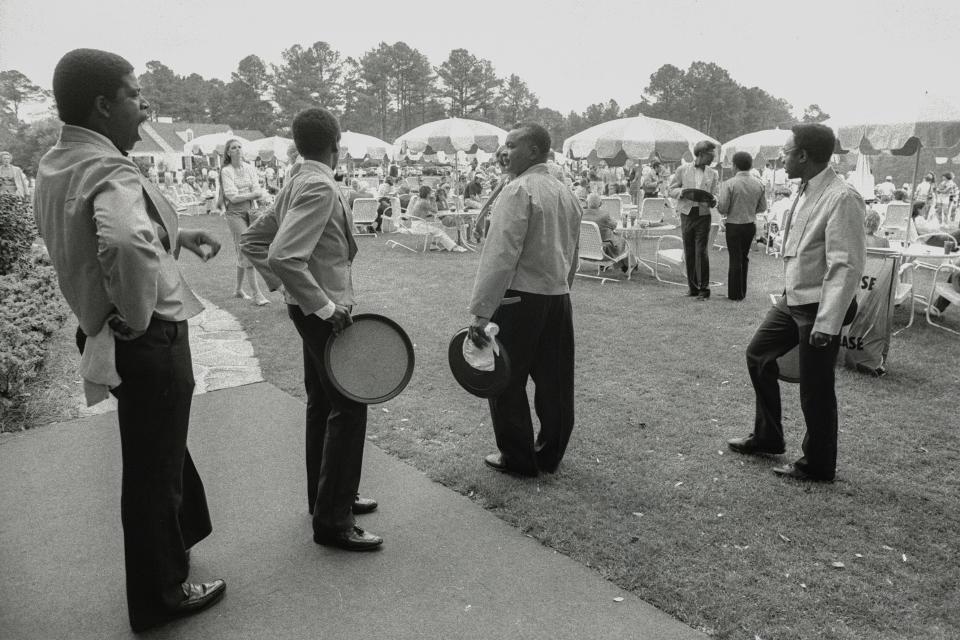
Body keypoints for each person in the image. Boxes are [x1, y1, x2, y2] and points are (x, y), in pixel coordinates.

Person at [34, 48, 225, 632]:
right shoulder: (110, 168)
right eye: (136, 94)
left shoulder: (58, 162)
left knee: (157, 452)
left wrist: (177, 233)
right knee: (152, 469)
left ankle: (178, 540)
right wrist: (138, 315)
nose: (145, 106)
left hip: (100, 331)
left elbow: (108, 236)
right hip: (146, 339)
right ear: (103, 103)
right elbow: (121, 244)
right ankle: (161, 594)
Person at [240, 107, 383, 551]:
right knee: (349, 406)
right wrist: (320, 305)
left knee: (323, 404)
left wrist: (293, 293)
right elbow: (281, 254)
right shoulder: (318, 184)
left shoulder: (298, 180)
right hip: (324, 314)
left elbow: (253, 241)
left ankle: (326, 500)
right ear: (336, 144)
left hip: (308, 311)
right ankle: (334, 521)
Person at [727, 123, 866, 482]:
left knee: (815, 387)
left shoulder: (842, 197)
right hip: (795, 300)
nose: (781, 158)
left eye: (786, 152)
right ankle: (768, 436)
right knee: (758, 355)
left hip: (820, 307)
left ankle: (818, 464)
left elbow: (846, 264)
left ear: (803, 155)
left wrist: (827, 322)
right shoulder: (805, 189)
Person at [467, 122, 582, 477]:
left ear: (533, 150)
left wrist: (481, 312)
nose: (504, 151)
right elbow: (572, 253)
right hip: (558, 297)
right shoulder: (566, 193)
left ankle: (517, 458)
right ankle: (550, 454)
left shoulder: (518, 191)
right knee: (555, 382)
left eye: (512, 144)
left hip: (519, 299)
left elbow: (500, 256)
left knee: (504, 380)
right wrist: (563, 285)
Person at [669, 140, 721, 300]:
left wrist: (714, 200)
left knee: (701, 252)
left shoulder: (713, 173)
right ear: (700, 154)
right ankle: (692, 288)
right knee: (689, 251)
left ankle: (704, 290)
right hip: (686, 214)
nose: (713, 159)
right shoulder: (682, 170)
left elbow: (716, 194)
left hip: (704, 216)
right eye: (710, 156)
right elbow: (671, 189)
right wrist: (682, 192)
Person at [221, 138, 270, 305]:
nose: (238, 150)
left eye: (239, 147)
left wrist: (252, 193)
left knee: (243, 250)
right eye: (233, 148)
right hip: (234, 214)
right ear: (228, 152)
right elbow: (232, 197)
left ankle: (238, 290)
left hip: (251, 212)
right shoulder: (226, 171)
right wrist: (253, 194)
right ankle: (257, 294)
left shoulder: (250, 168)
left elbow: (258, 188)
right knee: (247, 249)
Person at [717, 151, 767, 300]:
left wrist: (719, 205)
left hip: (734, 224)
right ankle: (742, 291)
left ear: (735, 165)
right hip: (749, 224)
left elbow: (723, 208)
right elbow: (762, 207)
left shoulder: (730, 183)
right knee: (744, 257)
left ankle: (734, 294)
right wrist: (750, 210)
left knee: (735, 258)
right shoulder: (759, 183)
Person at [408, 185, 465, 252]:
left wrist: (432, 201)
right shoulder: (424, 202)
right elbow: (435, 210)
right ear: (427, 194)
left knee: (440, 225)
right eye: (430, 193)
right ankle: (454, 247)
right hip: (418, 225)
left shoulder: (420, 200)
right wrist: (434, 201)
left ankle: (433, 245)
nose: (431, 194)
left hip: (418, 223)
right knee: (438, 231)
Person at [582, 193, 629, 273]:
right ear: (600, 203)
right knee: (622, 240)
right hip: (602, 252)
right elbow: (614, 225)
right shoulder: (604, 215)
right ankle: (626, 265)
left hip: (584, 250)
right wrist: (612, 220)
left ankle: (625, 265)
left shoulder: (581, 214)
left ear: (587, 203)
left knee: (615, 238)